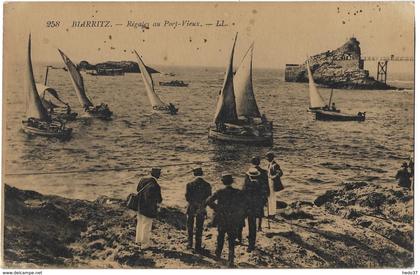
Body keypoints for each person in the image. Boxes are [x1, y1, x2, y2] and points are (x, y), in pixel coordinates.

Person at [206, 172, 245, 267]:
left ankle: (218, 255)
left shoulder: (219, 192)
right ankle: (231, 259)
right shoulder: (238, 192)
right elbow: (243, 205)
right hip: (233, 219)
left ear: (223, 182)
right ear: (232, 182)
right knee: (232, 239)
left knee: (220, 237)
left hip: (222, 218)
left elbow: (208, 201)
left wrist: (217, 208)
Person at [185, 167, 212, 252]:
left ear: (194, 174)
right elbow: (209, 198)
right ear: (202, 173)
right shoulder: (207, 184)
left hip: (192, 207)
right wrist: (202, 205)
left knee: (190, 226)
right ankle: (198, 246)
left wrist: (194, 203)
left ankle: (189, 244)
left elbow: (187, 197)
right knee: (199, 227)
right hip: (201, 208)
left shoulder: (189, 184)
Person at [135, 168, 163, 249]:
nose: (160, 175)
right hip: (149, 208)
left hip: (140, 206)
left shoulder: (142, 180)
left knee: (140, 223)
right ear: (157, 175)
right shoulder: (156, 185)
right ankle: (144, 244)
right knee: (146, 225)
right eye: (159, 174)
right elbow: (159, 199)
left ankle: (138, 240)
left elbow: (137, 190)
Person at [241, 167, 266, 252]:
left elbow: (242, 196)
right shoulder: (261, 184)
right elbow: (264, 197)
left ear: (250, 176)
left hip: (247, 208)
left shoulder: (247, 185)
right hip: (257, 208)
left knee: (241, 222)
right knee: (253, 226)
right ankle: (251, 244)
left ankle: (241, 239)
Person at [265, 152, 283, 218]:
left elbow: (280, 173)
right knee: (270, 198)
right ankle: (271, 213)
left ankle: (272, 214)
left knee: (272, 198)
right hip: (269, 182)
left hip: (272, 183)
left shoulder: (275, 165)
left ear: (271, 157)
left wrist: (273, 177)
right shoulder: (270, 164)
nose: (266, 159)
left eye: (267, 157)